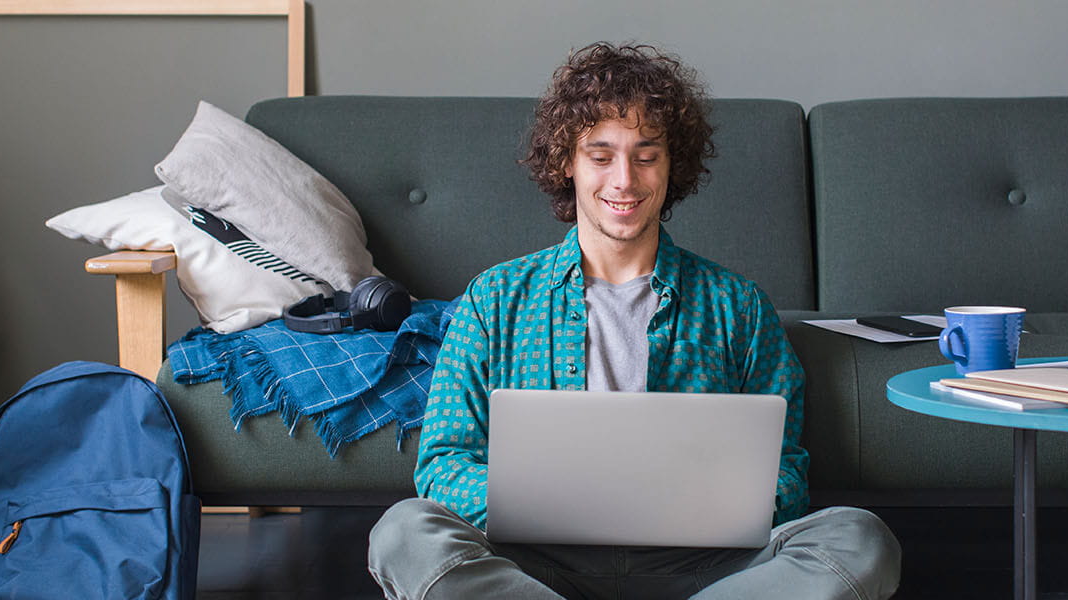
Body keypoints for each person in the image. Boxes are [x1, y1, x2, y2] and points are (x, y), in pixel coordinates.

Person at [365, 42, 902, 600]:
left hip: (704, 567)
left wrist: (705, 505)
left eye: (646, 155)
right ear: (567, 163)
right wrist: (556, 505)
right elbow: (442, 462)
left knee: (859, 538)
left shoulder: (738, 305)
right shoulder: (494, 298)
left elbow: (787, 471)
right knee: (404, 531)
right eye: (601, 156)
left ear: (672, 168)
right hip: (535, 566)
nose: (624, 179)